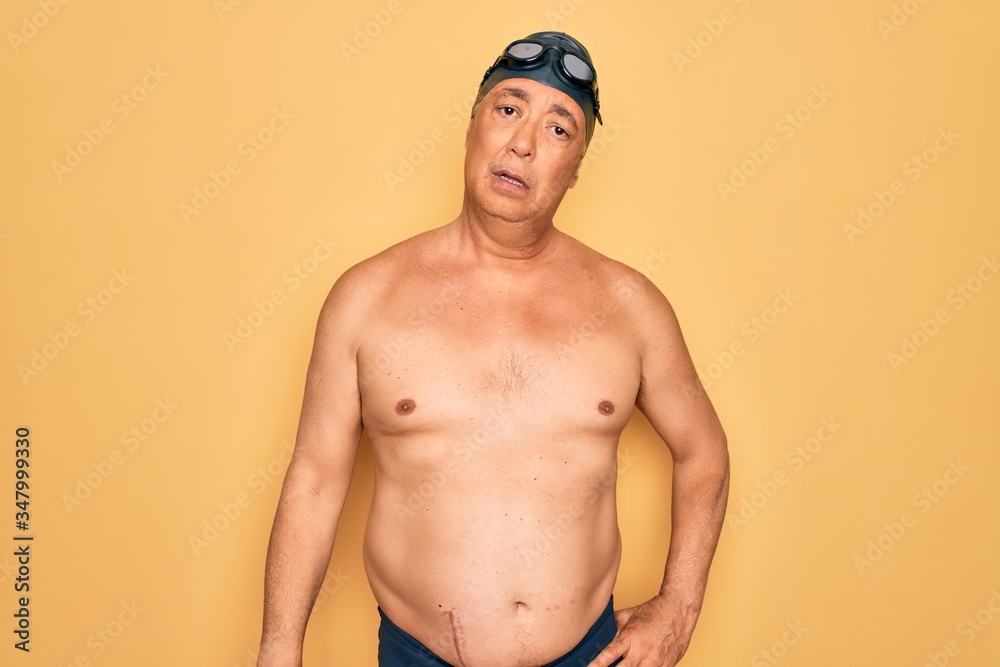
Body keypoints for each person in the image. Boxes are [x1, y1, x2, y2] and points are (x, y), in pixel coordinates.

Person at [257, 31, 729, 667]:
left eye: (559, 129)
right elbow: (314, 481)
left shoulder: (630, 305)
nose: (524, 143)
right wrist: (278, 650)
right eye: (508, 109)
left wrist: (680, 607)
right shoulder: (366, 298)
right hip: (416, 654)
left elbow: (703, 452)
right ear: (474, 124)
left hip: (588, 656)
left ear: (577, 168)